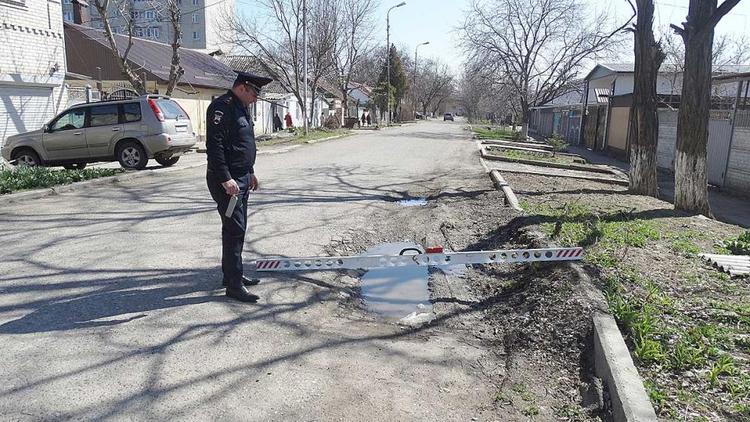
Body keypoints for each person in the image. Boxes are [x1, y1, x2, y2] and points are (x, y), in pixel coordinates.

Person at [205, 71, 273, 303]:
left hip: (242, 177)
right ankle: (233, 286)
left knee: (236, 229)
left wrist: (250, 172)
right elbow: (215, 146)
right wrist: (225, 178)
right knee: (235, 229)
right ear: (242, 87)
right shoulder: (221, 108)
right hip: (227, 182)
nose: (255, 98)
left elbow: (242, 144)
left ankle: (232, 275)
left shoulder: (241, 107)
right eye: (254, 92)